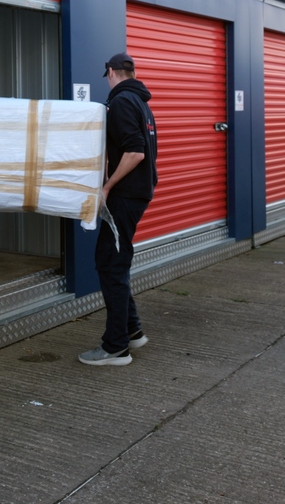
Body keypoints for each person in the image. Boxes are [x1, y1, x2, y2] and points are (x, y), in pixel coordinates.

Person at [79, 52, 158, 366]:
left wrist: (107, 186)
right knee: (116, 259)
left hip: (125, 195)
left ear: (111, 72)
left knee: (110, 263)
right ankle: (132, 330)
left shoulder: (123, 101)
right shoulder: (140, 101)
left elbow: (135, 152)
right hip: (136, 194)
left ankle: (115, 348)